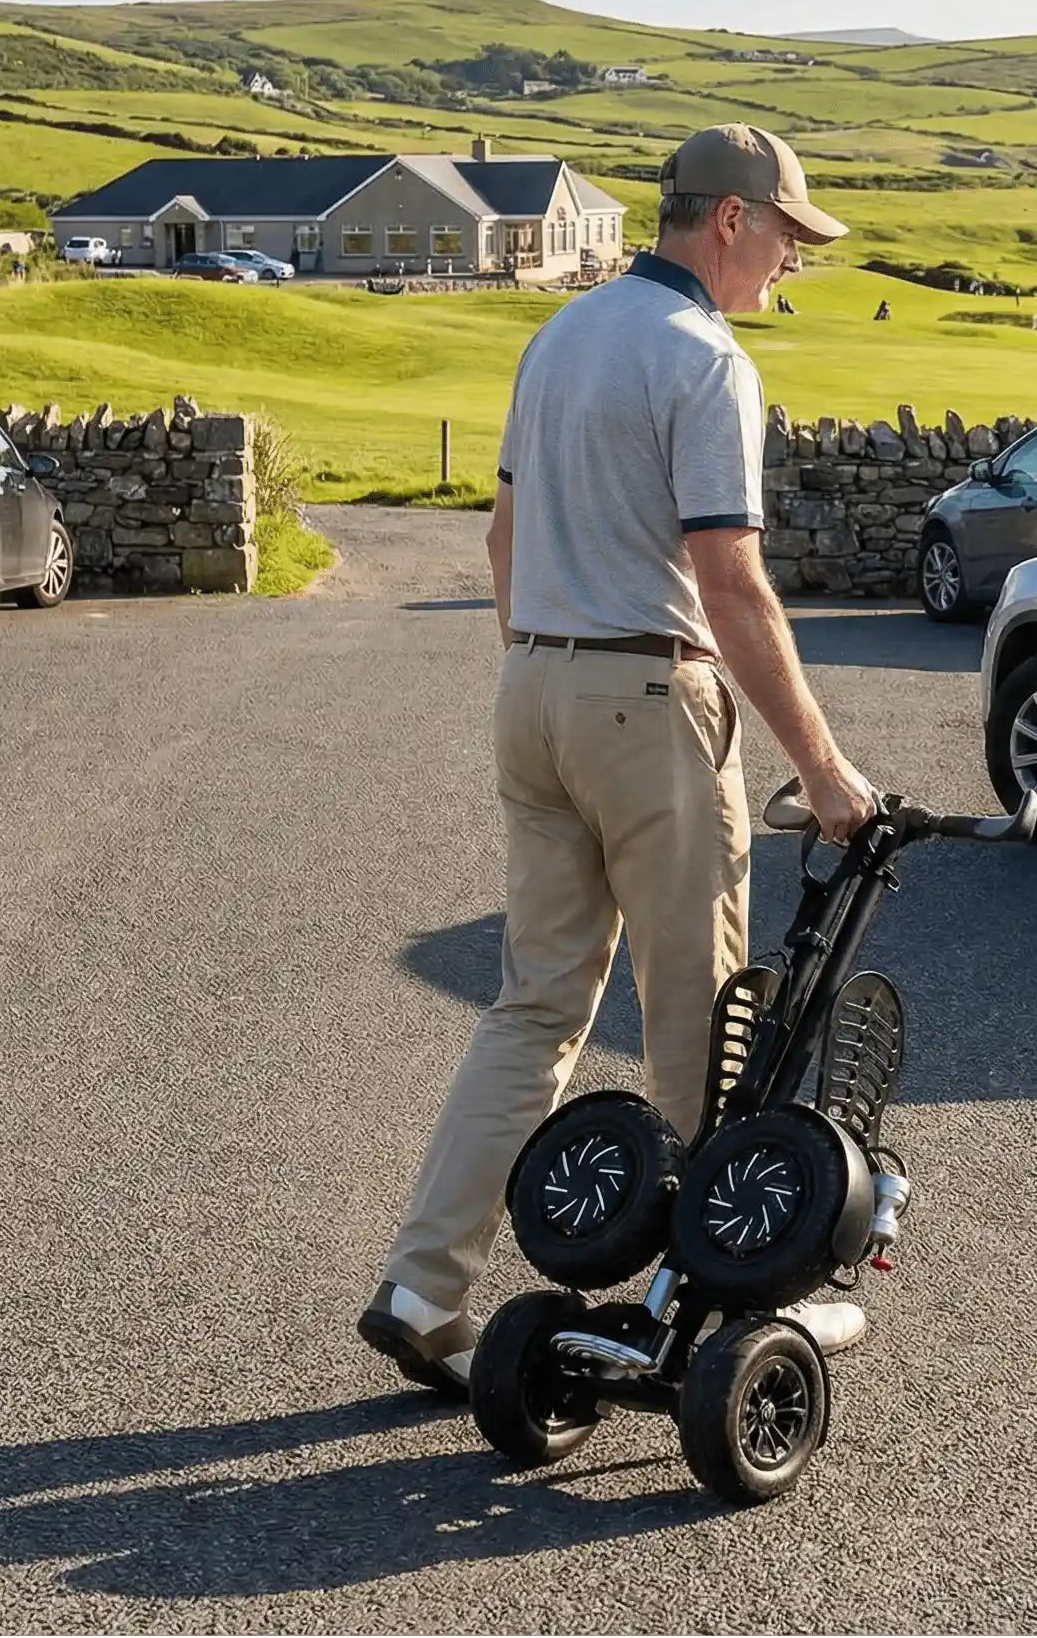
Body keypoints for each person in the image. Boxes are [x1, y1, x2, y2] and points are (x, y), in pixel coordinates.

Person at [358, 123, 880, 1395]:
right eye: (790, 239)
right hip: (648, 698)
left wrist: (552, 665)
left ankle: (426, 1286)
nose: (793, 268)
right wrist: (822, 769)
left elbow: (501, 539)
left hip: (531, 684)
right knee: (700, 1009)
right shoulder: (703, 358)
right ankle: (714, 1308)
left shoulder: (561, 337)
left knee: (534, 1004)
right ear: (730, 223)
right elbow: (732, 583)